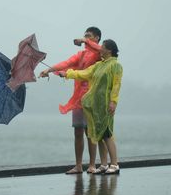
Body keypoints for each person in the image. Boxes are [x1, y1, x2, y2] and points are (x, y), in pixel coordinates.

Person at [39, 27, 103, 174]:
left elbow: (99, 50)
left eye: (89, 36)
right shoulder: (81, 54)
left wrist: (84, 40)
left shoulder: (100, 54)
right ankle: (79, 165)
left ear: (97, 38)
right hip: (78, 98)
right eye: (85, 35)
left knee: (91, 132)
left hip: (92, 97)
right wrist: (49, 70)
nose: (85, 38)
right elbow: (66, 64)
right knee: (78, 131)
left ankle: (92, 165)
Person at [60, 39, 123, 174]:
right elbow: (84, 73)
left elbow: (116, 85)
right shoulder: (99, 65)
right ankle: (104, 165)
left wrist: (113, 101)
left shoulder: (115, 66)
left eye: (103, 48)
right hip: (96, 105)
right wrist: (67, 73)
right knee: (99, 133)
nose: (100, 49)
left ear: (109, 50)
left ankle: (115, 164)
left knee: (107, 132)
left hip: (106, 104)